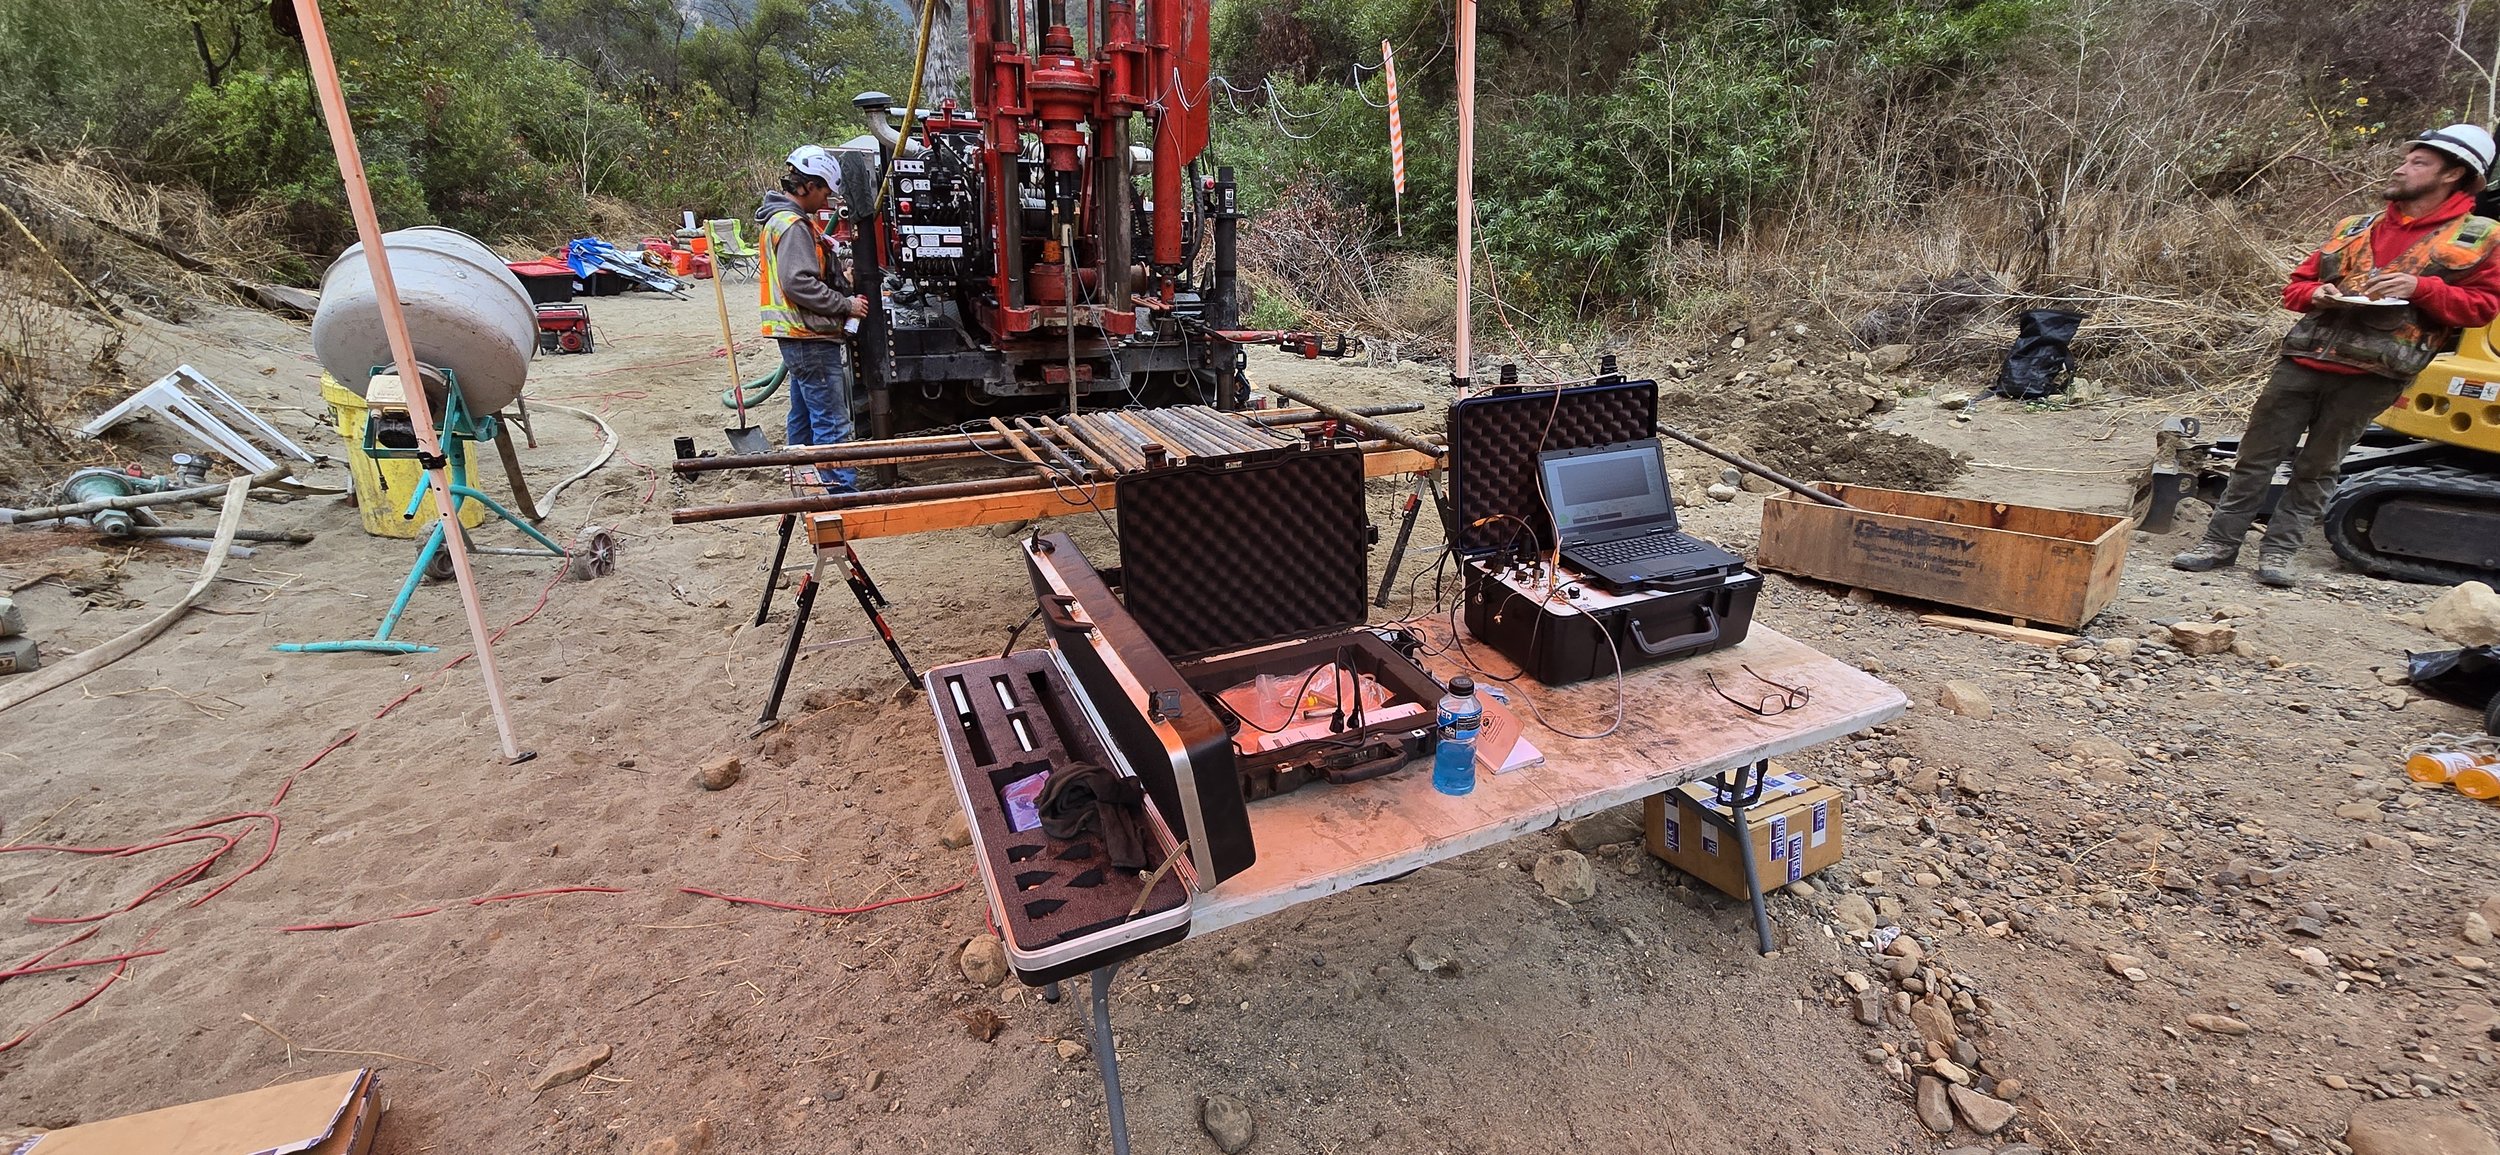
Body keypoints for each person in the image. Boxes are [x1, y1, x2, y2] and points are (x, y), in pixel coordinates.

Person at [2172, 124, 2500, 587]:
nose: (2401, 168)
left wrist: (2420, 287)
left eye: (2418, 162)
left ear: (2452, 175)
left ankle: (2279, 554)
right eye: (2406, 159)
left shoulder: (2480, 237)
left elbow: (2483, 308)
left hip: (2375, 373)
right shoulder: (2356, 227)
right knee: (2255, 457)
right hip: (2303, 361)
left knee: (2319, 466)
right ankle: (2219, 544)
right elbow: (2296, 287)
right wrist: (2317, 294)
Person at [757, 145, 872, 492]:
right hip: (810, 336)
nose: (826, 200)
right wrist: (845, 304)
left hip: (798, 337)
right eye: (824, 192)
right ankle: (838, 496)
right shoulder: (793, 225)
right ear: (808, 185)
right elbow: (798, 283)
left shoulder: (781, 220)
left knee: (804, 417)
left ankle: (804, 484)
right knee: (832, 422)